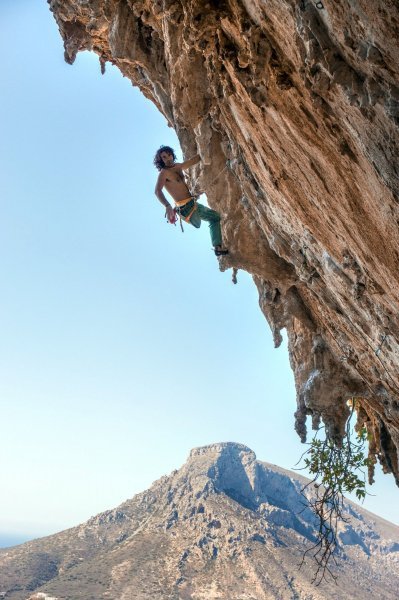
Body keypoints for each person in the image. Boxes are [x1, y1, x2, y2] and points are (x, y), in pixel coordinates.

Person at [154, 145, 229, 256]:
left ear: (172, 155)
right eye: (164, 157)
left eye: (169, 155)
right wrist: (167, 206)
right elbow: (157, 191)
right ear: (161, 160)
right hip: (185, 208)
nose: (168, 158)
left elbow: (193, 161)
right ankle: (185, 213)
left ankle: (217, 247)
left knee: (215, 217)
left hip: (192, 204)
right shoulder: (164, 173)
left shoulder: (178, 166)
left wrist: (207, 147)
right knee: (198, 223)